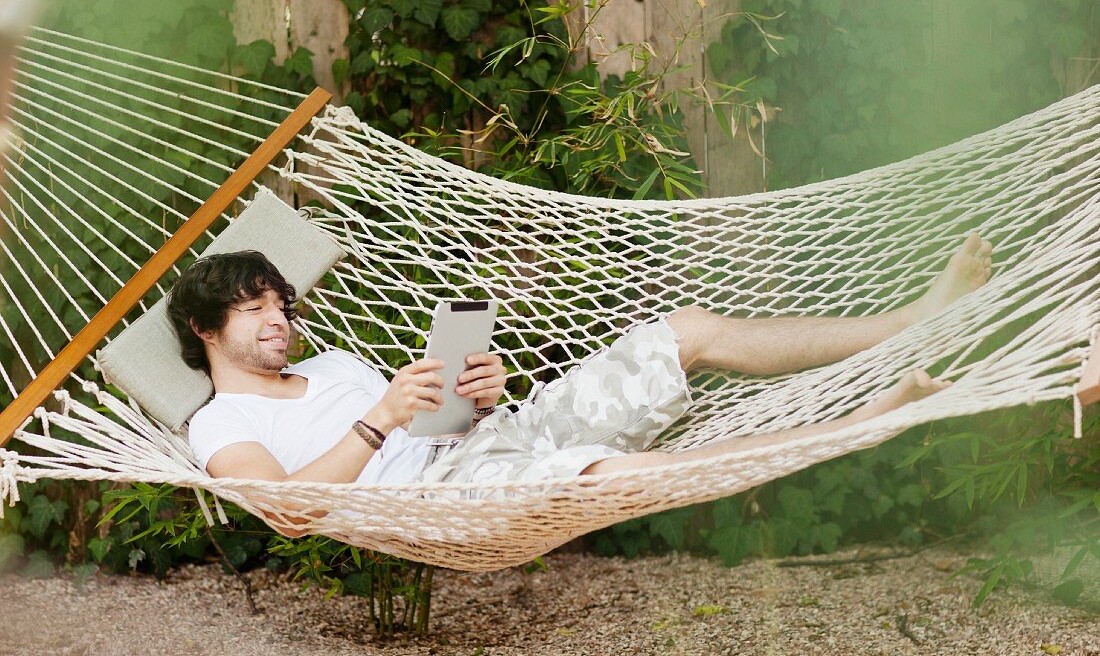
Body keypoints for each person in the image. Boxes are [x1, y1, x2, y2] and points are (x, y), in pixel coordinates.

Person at [170, 234, 993, 534]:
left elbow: (431, 421)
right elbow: (289, 513)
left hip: (488, 439)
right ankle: (862, 421)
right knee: (604, 479)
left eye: (279, 302)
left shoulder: (337, 367)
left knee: (686, 330)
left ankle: (908, 320)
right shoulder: (220, 425)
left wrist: (474, 395)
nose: (275, 318)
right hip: (448, 501)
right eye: (251, 309)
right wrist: (381, 419)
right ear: (207, 331)